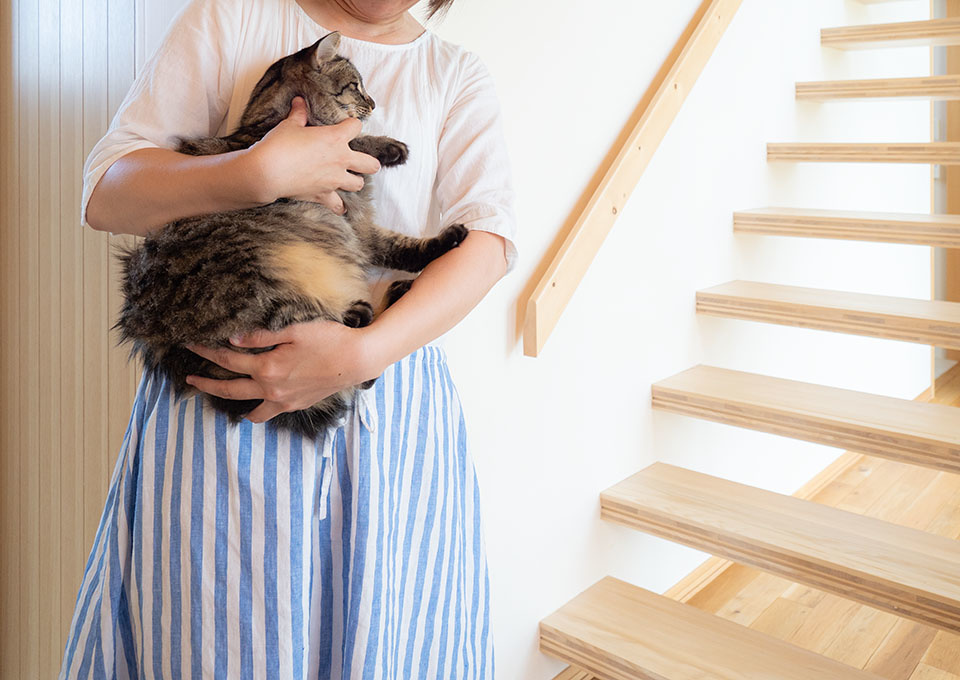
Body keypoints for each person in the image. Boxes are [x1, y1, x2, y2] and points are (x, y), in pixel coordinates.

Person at [58, 0, 517, 677]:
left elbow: (489, 243)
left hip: (383, 404)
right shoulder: (230, 18)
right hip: (221, 424)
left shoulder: (454, 72)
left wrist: (360, 353)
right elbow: (106, 195)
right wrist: (253, 176)